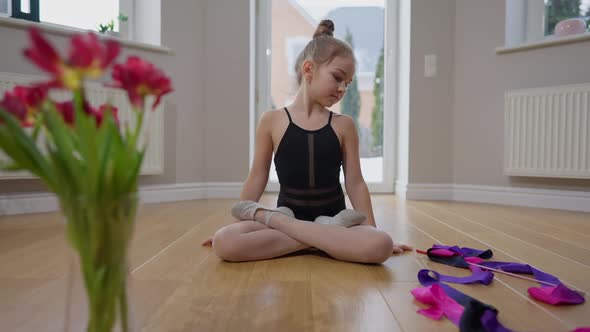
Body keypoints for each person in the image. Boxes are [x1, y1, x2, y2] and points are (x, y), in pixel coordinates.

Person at [202, 20, 411, 263]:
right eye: (338, 77)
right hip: (303, 218)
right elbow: (257, 176)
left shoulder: (344, 125)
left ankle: (288, 227)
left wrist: (372, 231)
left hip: (321, 219)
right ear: (308, 69)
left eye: (348, 83)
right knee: (225, 241)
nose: (343, 88)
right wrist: (237, 224)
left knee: (380, 244)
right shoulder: (271, 120)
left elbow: (355, 182)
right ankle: (326, 240)